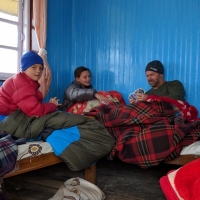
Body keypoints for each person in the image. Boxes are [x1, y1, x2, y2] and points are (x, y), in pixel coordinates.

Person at [0, 51, 59, 117]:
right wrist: (52, 105)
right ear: (24, 69)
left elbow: (32, 105)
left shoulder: (29, 82)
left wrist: (49, 104)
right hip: (4, 116)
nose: (38, 71)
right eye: (34, 67)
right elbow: (35, 111)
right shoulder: (21, 84)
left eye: (41, 68)